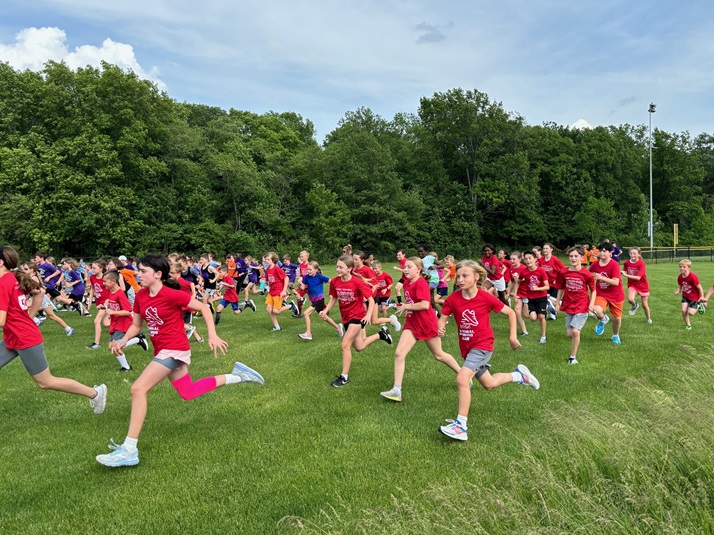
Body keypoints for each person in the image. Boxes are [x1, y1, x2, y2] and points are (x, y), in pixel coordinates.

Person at [95, 254, 264, 468]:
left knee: (138, 389)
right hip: (163, 350)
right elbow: (137, 325)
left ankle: (129, 449)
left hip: (174, 349)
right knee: (189, 392)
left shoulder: (171, 295)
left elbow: (203, 308)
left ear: (158, 274)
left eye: (143, 271)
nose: (139, 274)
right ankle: (239, 375)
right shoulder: (141, 296)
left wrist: (212, 335)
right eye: (138, 270)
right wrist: (123, 340)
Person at [437, 260, 539, 442]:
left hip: (483, 346)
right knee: (489, 384)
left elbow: (510, 312)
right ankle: (520, 376)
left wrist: (513, 337)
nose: (460, 279)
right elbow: (443, 317)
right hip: (467, 348)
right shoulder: (453, 299)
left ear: (477, 277)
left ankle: (460, 426)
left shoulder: (485, 297)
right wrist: (441, 327)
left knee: (462, 378)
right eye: (458, 276)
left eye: (465, 276)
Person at [0, 246, 107, 415]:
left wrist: (29, 316)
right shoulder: (11, 277)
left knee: (45, 382)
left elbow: (1, 320)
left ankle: (95, 393)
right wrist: (29, 316)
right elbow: (40, 291)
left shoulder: (4, 281)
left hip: (25, 338)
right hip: (13, 337)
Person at [380, 257, 461, 402]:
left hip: (427, 323)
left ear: (418, 269)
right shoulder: (406, 283)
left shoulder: (421, 283)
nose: (406, 269)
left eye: (409, 266)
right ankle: (396, 390)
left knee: (439, 355)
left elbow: (424, 305)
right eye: (405, 267)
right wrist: (404, 306)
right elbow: (411, 302)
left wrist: (406, 306)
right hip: (412, 323)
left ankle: (463, 375)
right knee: (399, 353)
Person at [319, 255, 392, 388]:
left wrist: (368, 315)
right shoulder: (335, 282)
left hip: (358, 317)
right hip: (346, 317)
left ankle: (344, 377)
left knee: (345, 344)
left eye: (341, 267)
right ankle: (381, 334)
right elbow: (334, 298)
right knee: (359, 347)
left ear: (350, 268)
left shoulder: (357, 282)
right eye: (337, 267)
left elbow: (370, 299)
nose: (338, 269)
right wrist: (326, 310)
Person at [555, 246, 596, 365]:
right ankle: (575, 342)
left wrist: (591, 304)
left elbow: (593, 290)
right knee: (570, 334)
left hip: (582, 305)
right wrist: (557, 302)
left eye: (576, 256)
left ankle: (572, 358)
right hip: (569, 304)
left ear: (582, 258)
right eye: (571, 256)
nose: (573, 258)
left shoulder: (587, 274)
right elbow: (560, 287)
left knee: (575, 332)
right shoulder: (564, 272)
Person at [101, 269, 148, 371]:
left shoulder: (120, 293)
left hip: (123, 324)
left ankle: (126, 367)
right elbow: (114, 305)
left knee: (115, 346)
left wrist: (113, 312)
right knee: (111, 347)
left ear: (113, 281)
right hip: (115, 323)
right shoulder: (111, 292)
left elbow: (127, 311)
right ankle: (137, 340)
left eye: (105, 281)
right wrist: (104, 306)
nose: (103, 283)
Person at [22, 261, 75, 335]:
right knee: (23, 308)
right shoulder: (30, 277)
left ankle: (68, 329)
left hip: (42, 299)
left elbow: (36, 290)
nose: (24, 270)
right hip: (35, 298)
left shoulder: (33, 278)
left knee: (52, 316)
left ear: (32, 269)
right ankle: (36, 321)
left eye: (25, 269)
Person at [590, 242, 625, 344]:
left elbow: (615, 282)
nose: (601, 253)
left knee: (617, 319)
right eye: (600, 251)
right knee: (596, 309)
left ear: (610, 253)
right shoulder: (595, 264)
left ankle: (615, 335)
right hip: (601, 293)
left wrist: (601, 277)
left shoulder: (614, 264)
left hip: (616, 295)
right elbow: (589, 274)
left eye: (604, 251)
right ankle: (604, 319)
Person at [297, 261, 342, 340]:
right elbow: (303, 288)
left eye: (310, 270)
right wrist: (300, 285)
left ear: (316, 270)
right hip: (314, 300)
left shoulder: (319, 277)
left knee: (306, 313)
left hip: (319, 300)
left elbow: (331, 281)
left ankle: (308, 333)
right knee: (324, 316)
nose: (308, 271)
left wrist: (336, 290)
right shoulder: (307, 277)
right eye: (308, 269)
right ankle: (338, 327)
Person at [263, 252, 297, 331]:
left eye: (268, 259)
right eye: (266, 259)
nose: (266, 261)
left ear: (273, 260)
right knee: (268, 309)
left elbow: (286, 278)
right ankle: (277, 327)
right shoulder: (267, 270)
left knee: (276, 311)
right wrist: (268, 288)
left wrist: (284, 290)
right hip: (272, 292)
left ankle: (291, 306)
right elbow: (268, 281)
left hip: (278, 291)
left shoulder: (277, 268)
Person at [521, 251, 549, 344]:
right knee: (533, 318)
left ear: (535, 259)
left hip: (541, 296)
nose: (528, 260)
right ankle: (544, 309)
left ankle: (543, 336)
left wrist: (538, 288)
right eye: (526, 259)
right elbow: (520, 280)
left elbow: (547, 286)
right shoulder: (524, 271)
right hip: (531, 298)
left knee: (541, 316)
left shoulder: (541, 270)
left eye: (530, 258)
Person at [621, 247, 652, 323]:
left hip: (643, 285)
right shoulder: (626, 263)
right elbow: (624, 271)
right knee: (630, 299)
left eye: (634, 253)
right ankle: (635, 305)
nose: (632, 255)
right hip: (632, 285)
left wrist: (626, 275)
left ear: (639, 254)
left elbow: (638, 277)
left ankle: (648, 319)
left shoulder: (641, 263)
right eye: (631, 253)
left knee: (644, 305)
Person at [675, 259, 705, 330]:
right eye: (680, 266)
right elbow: (680, 286)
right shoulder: (680, 277)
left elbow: (700, 288)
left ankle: (700, 305)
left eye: (684, 267)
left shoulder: (693, 277)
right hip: (685, 296)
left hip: (694, 297)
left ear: (689, 268)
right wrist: (677, 291)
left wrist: (702, 297)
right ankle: (688, 325)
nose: (681, 268)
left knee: (691, 313)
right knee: (683, 310)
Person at [507, 251, 530, 337]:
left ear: (520, 259)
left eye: (514, 259)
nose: (512, 261)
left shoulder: (525, 268)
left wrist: (520, 280)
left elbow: (526, 281)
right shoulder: (511, 269)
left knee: (526, 315)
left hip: (527, 293)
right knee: (517, 312)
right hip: (519, 293)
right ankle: (524, 331)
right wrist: (509, 293)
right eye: (511, 259)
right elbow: (513, 283)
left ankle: (543, 306)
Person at [539, 243, 565, 320]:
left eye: (547, 248)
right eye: (544, 249)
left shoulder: (555, 260)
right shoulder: (541, 260)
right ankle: (552, 316)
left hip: (555, 284)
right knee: (545, 300)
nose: (545, 250)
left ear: (551, 249)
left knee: (550, 301)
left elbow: (563, 270)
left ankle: (563, 303)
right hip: (545, 284)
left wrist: (558, 280)